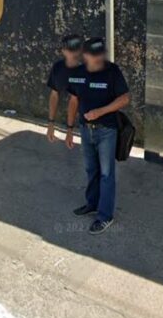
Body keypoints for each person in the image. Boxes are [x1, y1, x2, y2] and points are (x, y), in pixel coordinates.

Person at [65, 37, 131, 235]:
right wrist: (69, 129)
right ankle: (92, 204)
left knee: (106, 174)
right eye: (93, 56)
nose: (97, 60)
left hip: (106, 130)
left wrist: (100, 112)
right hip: (86, 130)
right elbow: (73, 100)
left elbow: (125, 99)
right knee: (91, 169)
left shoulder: (112, 71)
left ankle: (105, 216)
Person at [45, 34, 84, 142]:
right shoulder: (57, 68)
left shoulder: (85, 70)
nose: (72, 53)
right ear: (63, 51)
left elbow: (74, 100)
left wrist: (70, 130)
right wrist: (51, 123)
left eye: (74, 50)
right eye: (69, 49)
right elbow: (54, 94)